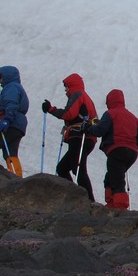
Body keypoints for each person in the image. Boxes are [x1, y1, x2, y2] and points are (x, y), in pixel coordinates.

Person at [41, 73, 97, 201]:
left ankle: (87, 200)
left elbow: (69, 114)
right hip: (88, 137)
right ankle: (78, 197)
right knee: (64, 168)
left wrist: (50, 109)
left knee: (77, 168)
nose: (65, 89)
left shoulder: (77, 94)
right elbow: (93, 119)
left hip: (79, 136)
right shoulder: (85, 97)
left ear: (71, 85)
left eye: (66, 86)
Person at [85, 89, 138, 209]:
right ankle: (112, 204)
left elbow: (100, 131)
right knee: (112, 176)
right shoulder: (133, 117)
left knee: (117, 182)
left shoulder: (110, 113)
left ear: (110, 101)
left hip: (117, 150)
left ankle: (118, 208)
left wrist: (88, 127)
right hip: (132, 153)